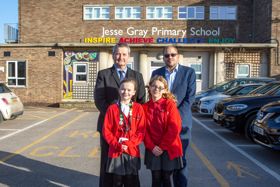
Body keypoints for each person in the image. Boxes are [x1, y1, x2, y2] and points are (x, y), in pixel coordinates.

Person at [94, 43, 146, 187]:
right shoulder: (103, 74)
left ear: (129, 56)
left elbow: (141, 100)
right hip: (109, 128)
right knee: (108, 164)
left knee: (130, 166)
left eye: (124, 54)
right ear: (113, 55)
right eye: (117, 54)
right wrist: (115, 116)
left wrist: (130, 119)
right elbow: (99, 100)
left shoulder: (137, 76)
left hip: (132, 130)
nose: (120, 57)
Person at [151, 46, 196, 187]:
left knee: (180, 160)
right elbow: (154, 97)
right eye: (166, 55)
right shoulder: (156, 73)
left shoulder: (189, 72)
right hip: (161, 126)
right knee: (163, 163)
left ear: (178, 56)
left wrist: (174, 118)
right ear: (163, 57)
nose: (170, 57)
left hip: (181, 125)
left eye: (173, 54)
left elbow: (190, 99)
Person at [102, 78, 146, 187]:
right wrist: (117, 144)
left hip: (132, 150)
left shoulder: (138, 108)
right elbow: (106, 130)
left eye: (129, 90)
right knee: (116, 181)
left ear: (134, 92)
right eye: (123, 89)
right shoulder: (112, 109)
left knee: (131, 180)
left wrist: (129, 144)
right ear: (119, 90)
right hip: (116, 150)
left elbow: (141, 131)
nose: (126, 92)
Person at [143, 75, 183, 187]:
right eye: (154, 86)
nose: (156, 89)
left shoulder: (169, 104)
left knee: (166, 178)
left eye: (160, 87)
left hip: (168, 147)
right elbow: (142, 130)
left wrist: (162, 146)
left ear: (165, 90)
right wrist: (152, 146)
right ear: (149, 88)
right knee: (155, 178)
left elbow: (174, 128)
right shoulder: (144, 107)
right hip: (153, 148)